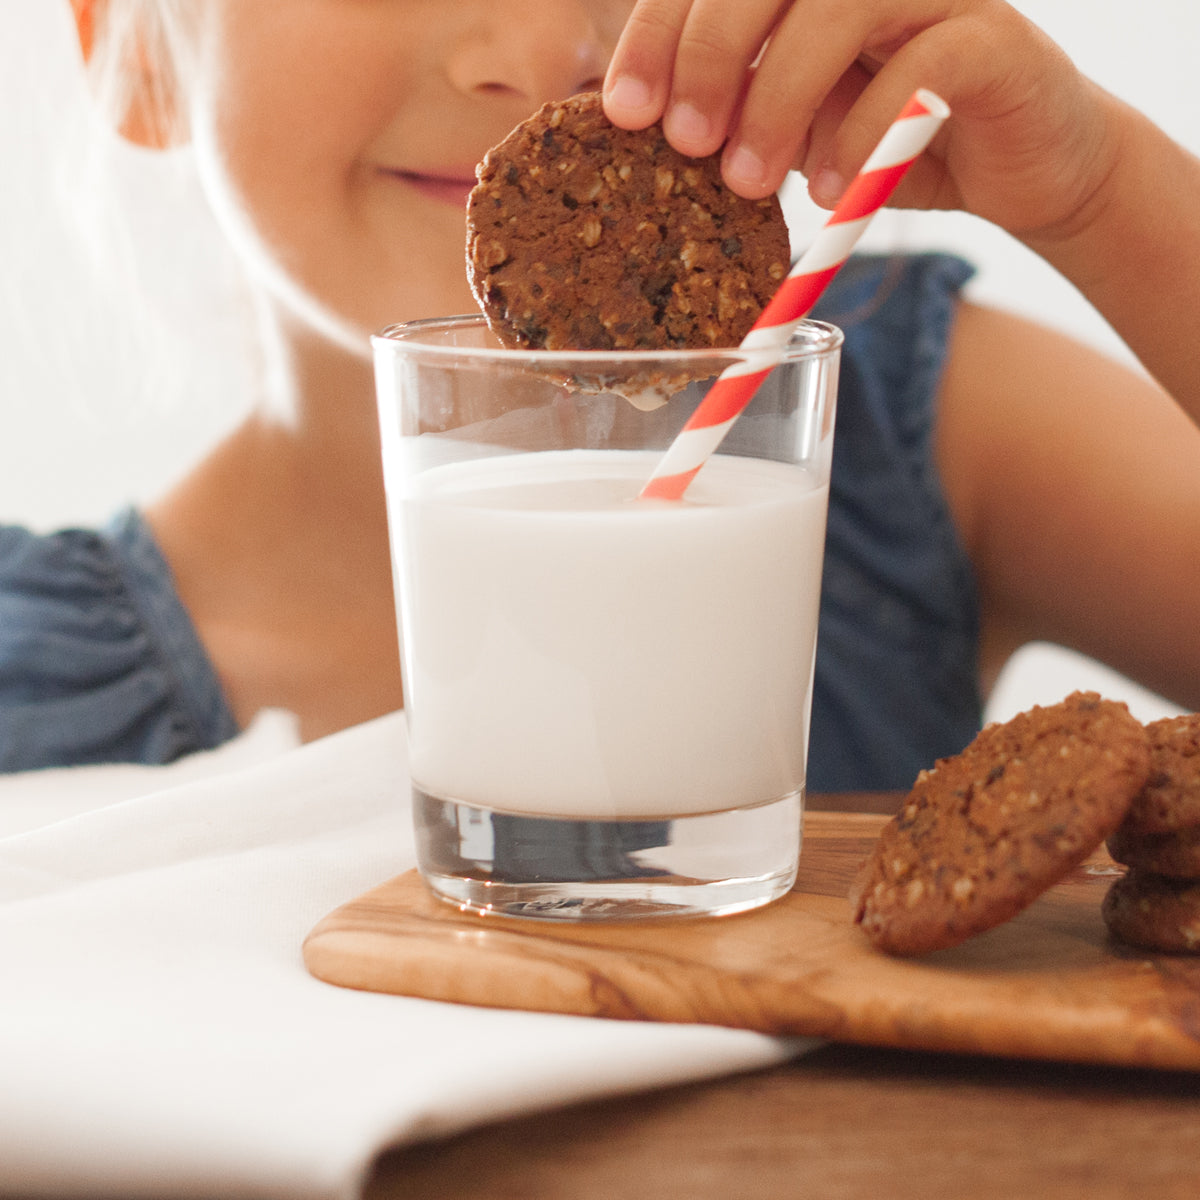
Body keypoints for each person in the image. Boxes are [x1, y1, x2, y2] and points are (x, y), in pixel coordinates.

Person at [1, 0, 1198, 790]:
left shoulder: (898, 419)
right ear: (138, 46)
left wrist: (1103, 198)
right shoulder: (32, 688)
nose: (537, 51)